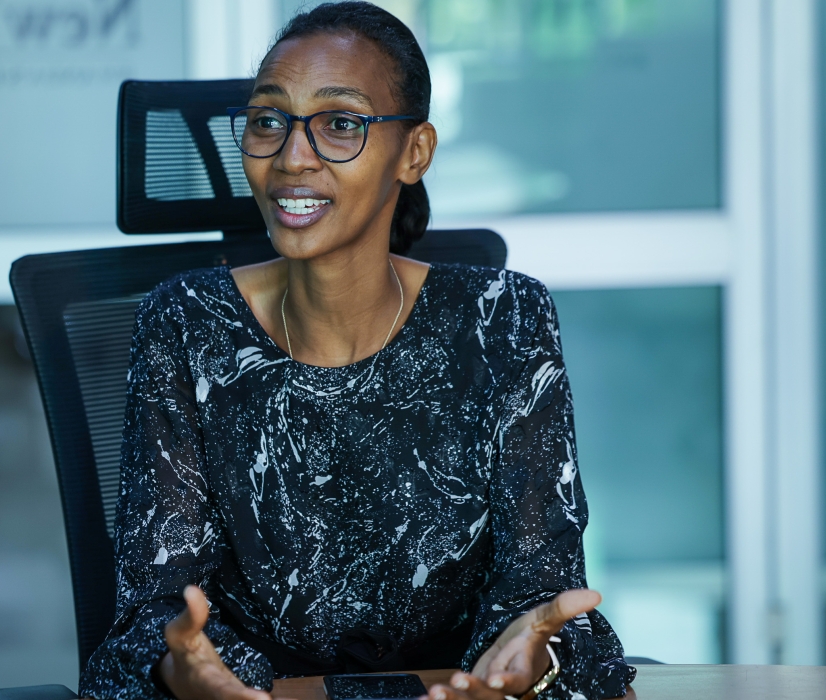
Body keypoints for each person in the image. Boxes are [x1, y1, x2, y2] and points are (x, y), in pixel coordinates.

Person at [79, 3, 635, 699]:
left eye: (340, 124)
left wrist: (526, 664)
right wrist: (189, 672)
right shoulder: (187, 324)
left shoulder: (505, 319)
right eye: (268, 120)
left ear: (415, 152)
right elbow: (153, 607)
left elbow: (541, 588)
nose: (292, 156)